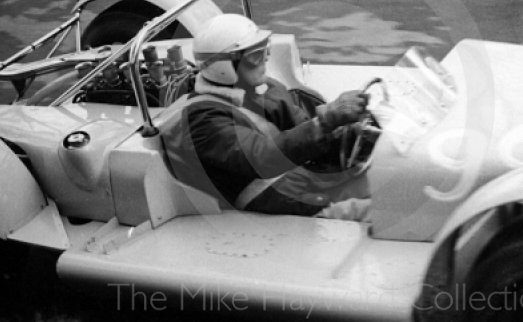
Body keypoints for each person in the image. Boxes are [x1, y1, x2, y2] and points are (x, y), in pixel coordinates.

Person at [159, 13, 372, 220]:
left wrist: (345, 129)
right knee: (376, 211)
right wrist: (328, 121)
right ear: (224, 67)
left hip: (298, 178)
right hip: (272, 198)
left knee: (387, 177)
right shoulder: (203, 121)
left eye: (265, 50)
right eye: (256, 55)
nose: (266, 58)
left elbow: (302, 126)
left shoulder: (264, 88)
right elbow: (262, 157)